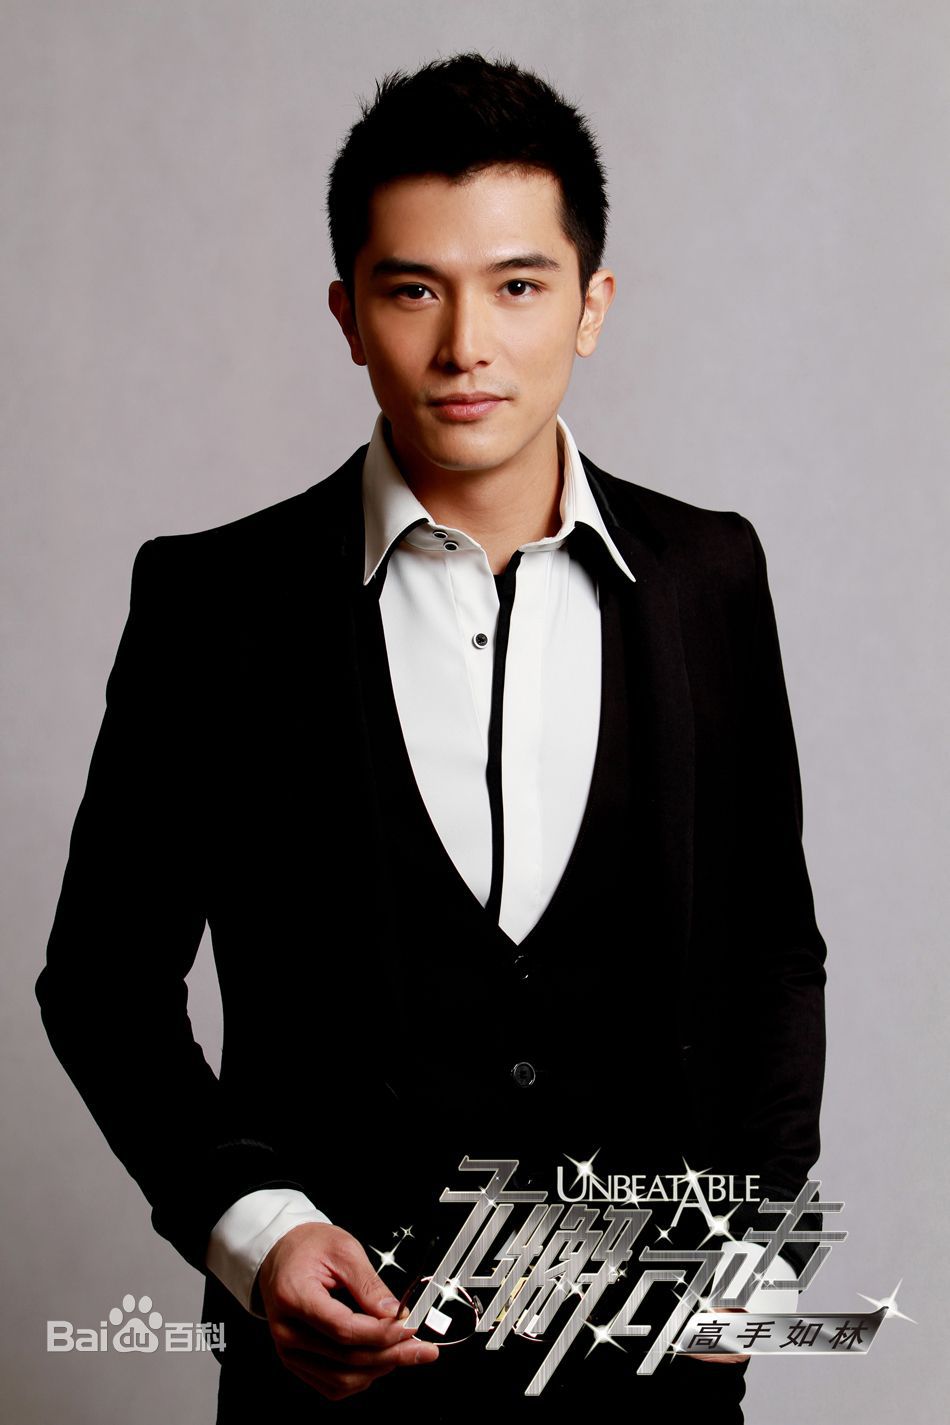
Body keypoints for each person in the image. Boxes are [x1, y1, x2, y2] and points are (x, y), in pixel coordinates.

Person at [36, 53, 826, 1424]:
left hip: (651, 1383)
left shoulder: (709, 576)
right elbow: (102, 981)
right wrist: (258, 1231)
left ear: (591, 305)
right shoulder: (215, 604)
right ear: (348, 315)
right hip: (334, 1384)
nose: (466, 345)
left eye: (518, 287)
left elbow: (769, 945)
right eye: (413, 290)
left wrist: (752, 1239)